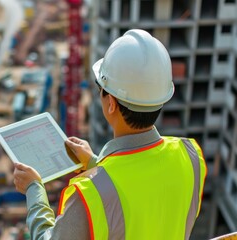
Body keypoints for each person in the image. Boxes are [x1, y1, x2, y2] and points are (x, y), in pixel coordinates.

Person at [13, 29, 207, 240]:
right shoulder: (190, 156)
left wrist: (34, 189)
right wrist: (95, 164)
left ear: (112, 103)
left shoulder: (89, 195)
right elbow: (141, 195)